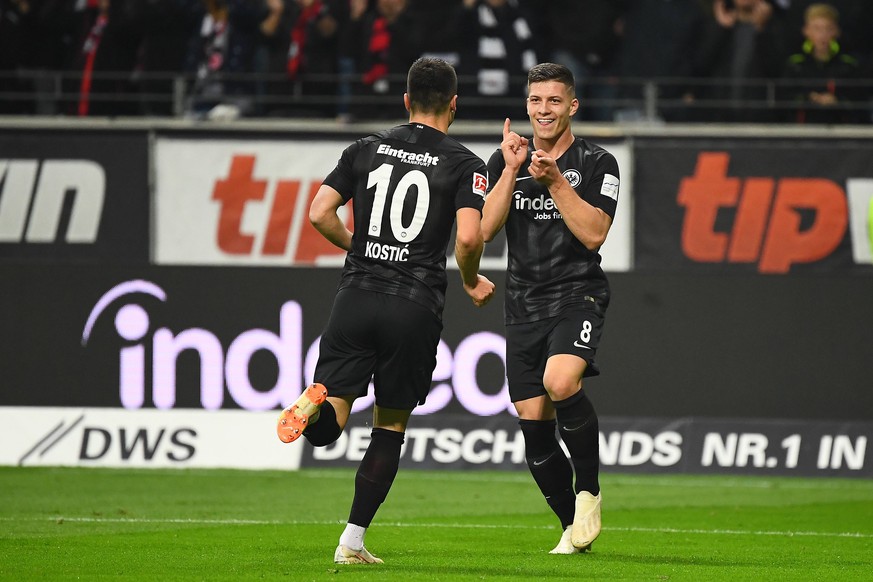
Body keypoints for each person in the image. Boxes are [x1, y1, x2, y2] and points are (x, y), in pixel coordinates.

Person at [276, 56, 495, 564]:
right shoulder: (466, 164)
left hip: (356, 296)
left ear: (405, 100)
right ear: (454, 105)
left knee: (334, 416)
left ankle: (313, 409)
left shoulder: (366, 148)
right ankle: (351, 542)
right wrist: (469, 279)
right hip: (413, 305)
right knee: (389, 425)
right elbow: (467, 237)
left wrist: (359, 247)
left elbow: (318, 213)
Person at [481, 62, 619, 554]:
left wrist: (557, 181)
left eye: (554, 101)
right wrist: (512, 169)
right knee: (534, 428)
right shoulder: (505, 160)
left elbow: (595, 233)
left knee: (561, 382)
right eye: (536, 101)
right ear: (526, 106)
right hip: (522, 302)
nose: (544, 110)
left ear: (572, 106)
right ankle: (571, 529)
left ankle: (589, 492)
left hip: (576, 293)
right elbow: (484, 230)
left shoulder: (599, 162)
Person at [781, 3, 865, 124]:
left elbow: (860, 100)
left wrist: (837, 101)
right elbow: (784, 98)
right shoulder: (795, 64)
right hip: (801, 133)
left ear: (836, 31)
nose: (823, 35)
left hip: (841, 133)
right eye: (817, 28)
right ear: (806, 31)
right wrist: (809, 98)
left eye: (828, 28)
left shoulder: (849, 65)